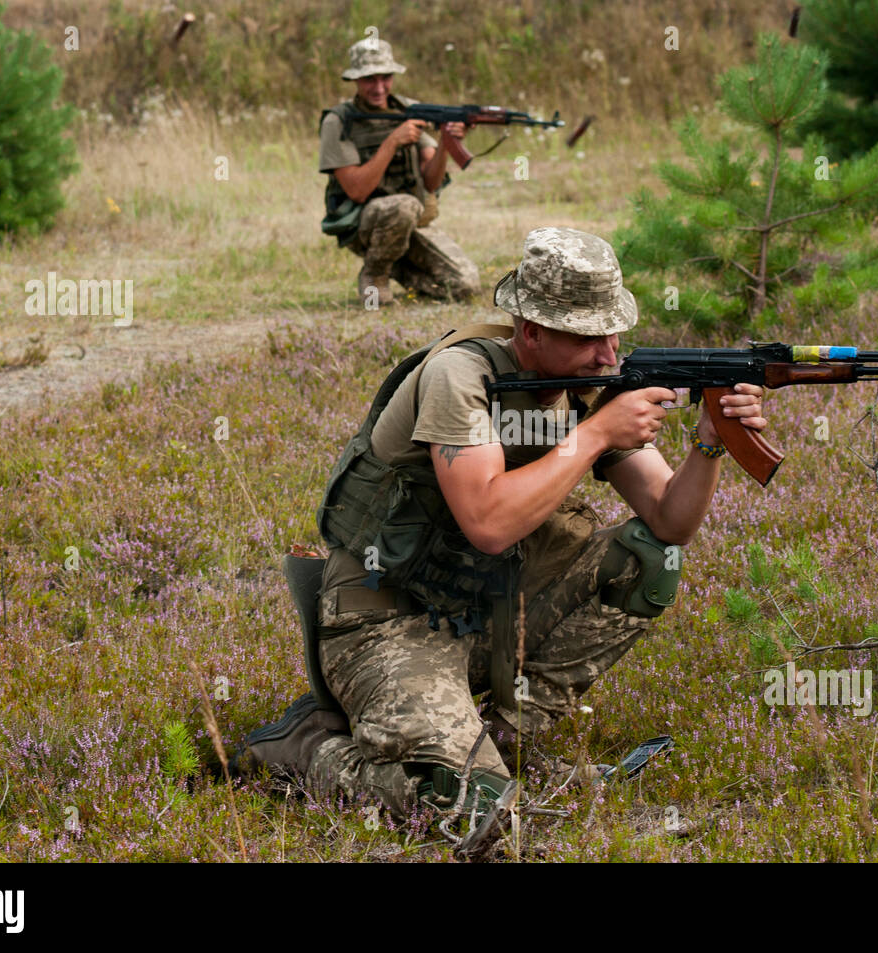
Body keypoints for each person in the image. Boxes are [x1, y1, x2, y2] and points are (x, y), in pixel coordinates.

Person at [230, 227, 766, 831]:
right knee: (457, 803)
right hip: (388, 620)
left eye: (614, 331)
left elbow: (671, 519)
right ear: (531, 330)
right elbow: (486, 523)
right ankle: (308, 750)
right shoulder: (460, 376)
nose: (609, 354)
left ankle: (504, 740)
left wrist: (710, 443)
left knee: (649, 560)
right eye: (588, 336)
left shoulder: (587, 384)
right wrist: (594, 435)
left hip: (489, 611)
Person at [318, 37, 480, 307]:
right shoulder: (339, 121)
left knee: (465, 285)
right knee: (404, 205)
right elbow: (357, 191)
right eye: (370, 79)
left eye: (385, 78)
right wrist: (392, 141)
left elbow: (430, 182)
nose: (379, 88)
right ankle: (375, 274)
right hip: (362, 222)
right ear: (356, 80)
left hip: (409, 220)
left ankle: (399, 269)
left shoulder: (408, 109)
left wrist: (446, 142)